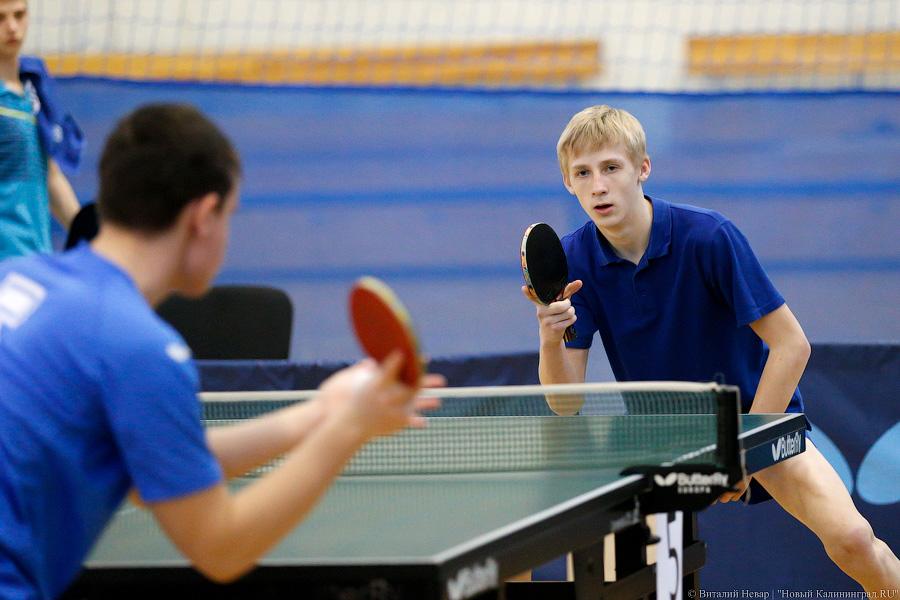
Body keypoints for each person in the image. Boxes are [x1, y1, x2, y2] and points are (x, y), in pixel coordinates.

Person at [0, 103, 441, 600]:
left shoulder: (20, 278)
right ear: (204, 217)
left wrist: (321, 411)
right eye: (230, 214)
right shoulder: (137, 347)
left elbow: (156, 475)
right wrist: (346, 431)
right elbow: (221, 548)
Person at [523, 104, 900, 592]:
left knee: (852, 539)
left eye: (611, 167)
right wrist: (550, 337)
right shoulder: (574, 260)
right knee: (627, 578)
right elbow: (564, 402)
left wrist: (745, 451)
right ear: (569, 184)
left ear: (642, 169)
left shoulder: (709, 237)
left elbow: (792, 346)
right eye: (583, 173)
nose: (598, 185)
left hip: (752, 417)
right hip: (661, 438)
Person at [0, 0, 81, 261]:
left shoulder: (33, 86)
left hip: (36, 258)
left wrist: (91, 239)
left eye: (19, 15)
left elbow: (51, 175)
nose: (12, 27)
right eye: (0, 18)